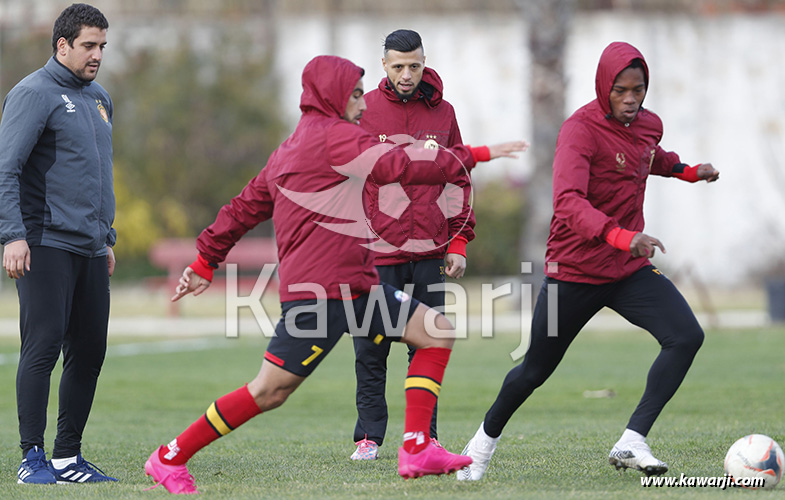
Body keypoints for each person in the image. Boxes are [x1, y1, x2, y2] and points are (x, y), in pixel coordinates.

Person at [142, 54, 514, 494]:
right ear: (333, 97)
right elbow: (402, 166)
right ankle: (170, 457)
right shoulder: (335, 137)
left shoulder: (293, 146)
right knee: (269, 391)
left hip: (356, 287)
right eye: (356, 94)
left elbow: (241, 209)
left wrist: (205, 261)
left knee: (435, 330)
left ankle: (416, 446)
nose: (363, 103)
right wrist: (475, 155)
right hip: (319, 296)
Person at [457, 41, 720, 481]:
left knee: (686, 336)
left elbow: (648, 157)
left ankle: (632, 439)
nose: (631, 99)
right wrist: (622, 236)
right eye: (621, 90)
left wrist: (689, 172)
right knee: (534, 371)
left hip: (627, 270)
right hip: (574, 272)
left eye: (638, 89)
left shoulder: (648, 124)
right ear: (604, 87)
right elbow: (568, 204)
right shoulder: (579, 130)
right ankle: (481, 443)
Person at [351, 28, 528, 461]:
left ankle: (423, 438)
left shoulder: (444, 112)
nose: (407, 74)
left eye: (414, 65)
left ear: (424, 62)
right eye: (398, 67)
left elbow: (457, 179)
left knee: (427, 345)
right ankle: (369, 438)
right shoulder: (364, 110)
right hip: (377, 252)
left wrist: (459, 242)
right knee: (370, 347)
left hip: (430, 251)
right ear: (384, 66)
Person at [0, 3, 117, 485]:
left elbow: (98, 174)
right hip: (43, 242)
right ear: (62, 44)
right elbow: (7, 168)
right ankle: (32, 457)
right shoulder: (32, 93)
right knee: (43, 347)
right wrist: (12, 235)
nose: (97, 55)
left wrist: (106, 237)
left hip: (91, 247)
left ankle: (68, 458)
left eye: (103, 47)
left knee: (90, 351)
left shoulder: (101, 98)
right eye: (89, 45)